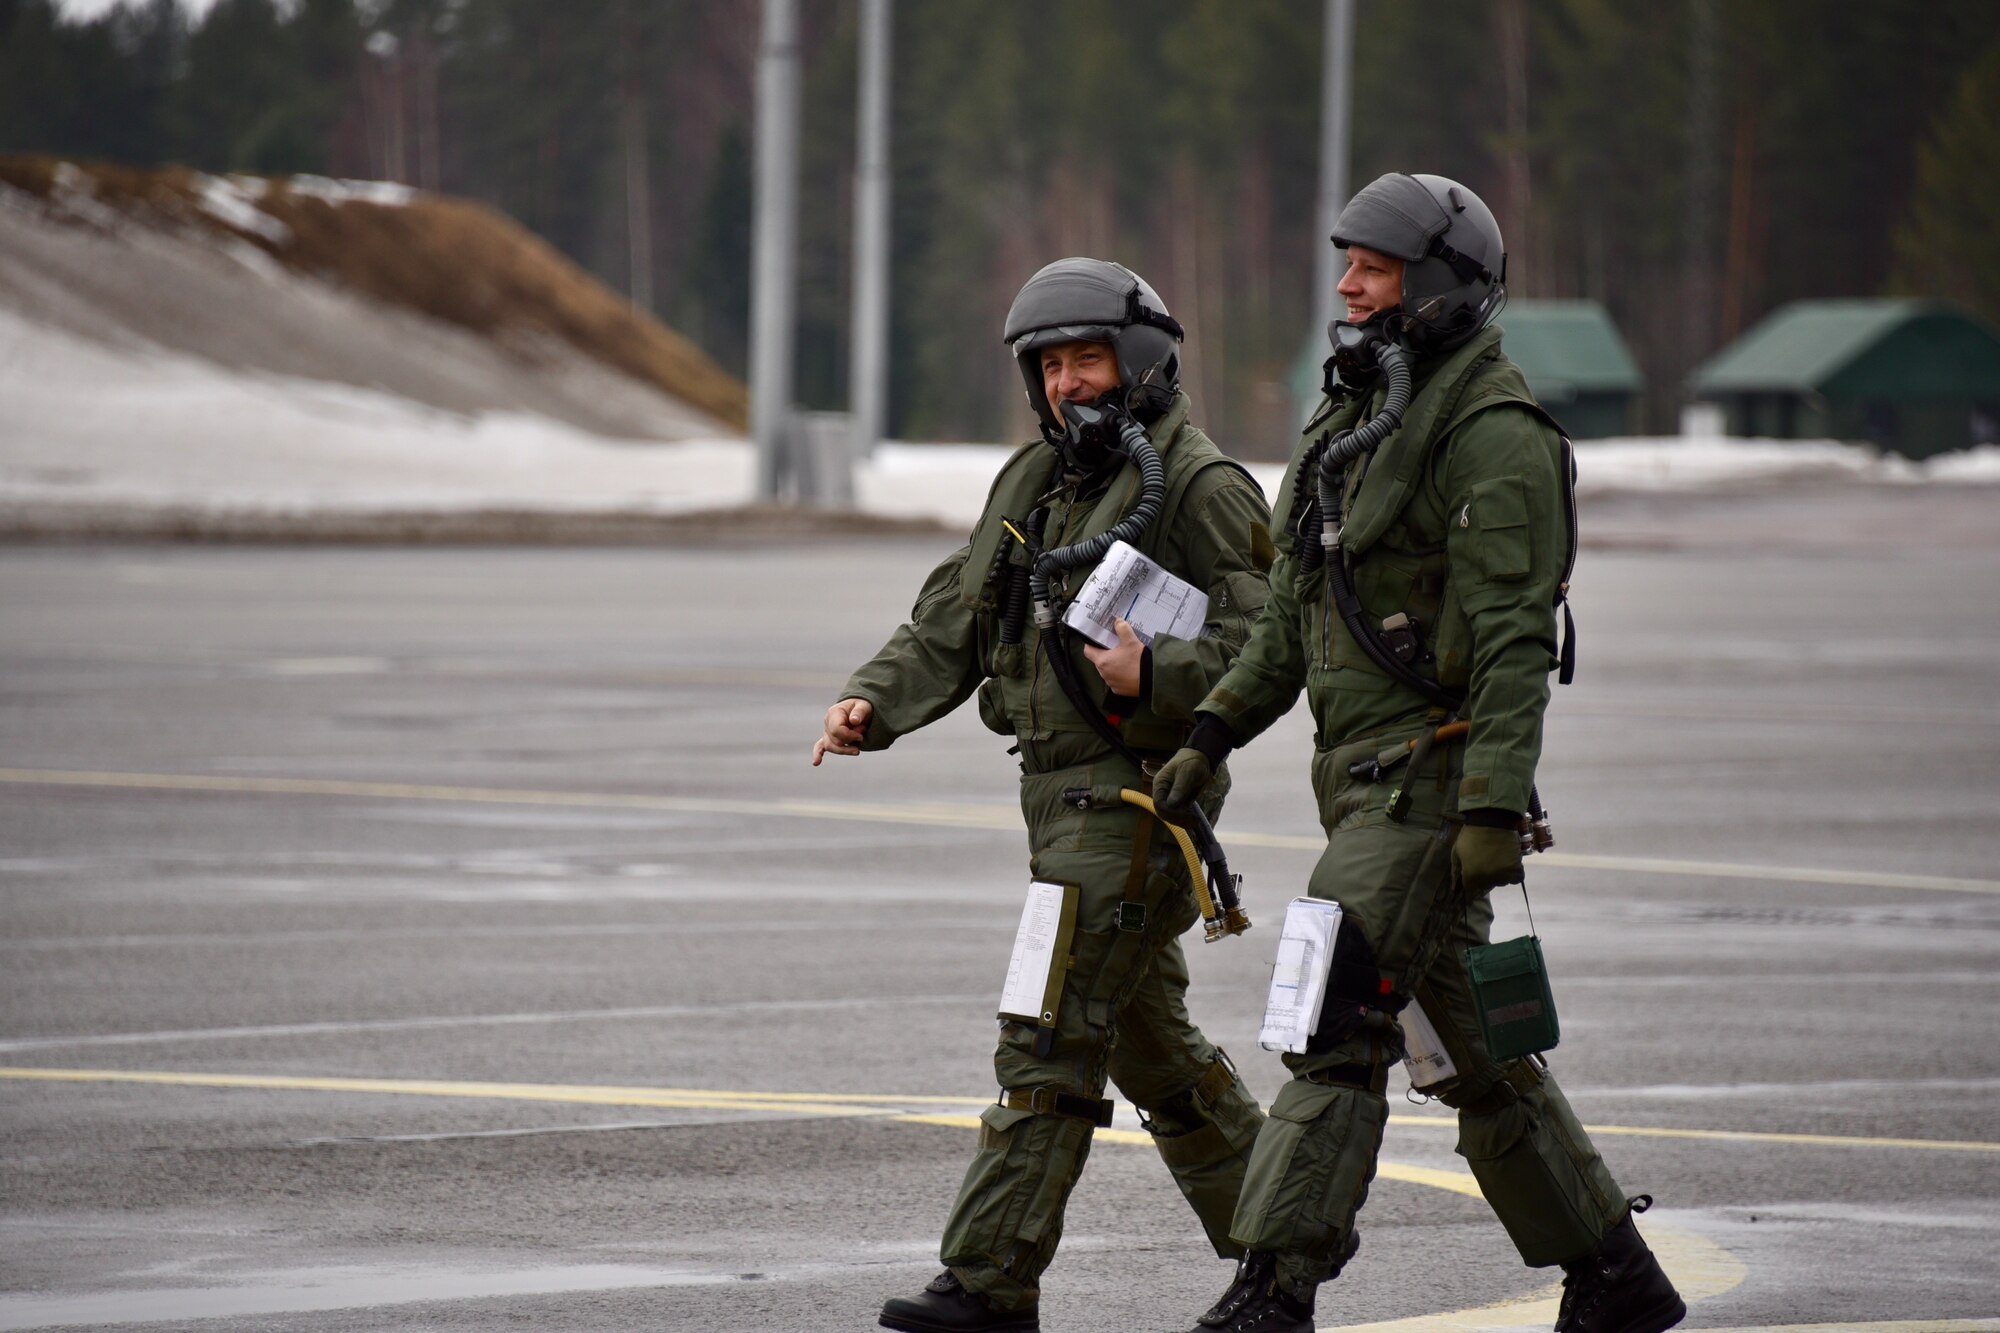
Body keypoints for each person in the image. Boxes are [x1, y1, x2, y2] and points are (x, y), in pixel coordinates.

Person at [1151, 174, 1687, 1333]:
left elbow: (1510, 639)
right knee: (1475, 1059)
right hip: (1357, 785)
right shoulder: (1348, 421)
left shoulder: (1492, 434)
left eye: (1371, 267)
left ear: (1434, 284)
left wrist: (1490, 802)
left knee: (1332, 1018)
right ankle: (1614, 1277)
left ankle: (1272, 1288)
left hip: (1430, 783)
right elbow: (1297, 611)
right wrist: (1210, 729)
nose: (1343, 286)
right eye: (1344, 261)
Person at [812, 257, 1274, 1333]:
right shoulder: (1035, 484)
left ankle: (987, 1284)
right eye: (1051, 364)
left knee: (1046, 1034)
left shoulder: (1200, 487)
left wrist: (1153, 676)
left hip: (1132, 808)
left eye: (1088, 358)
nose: (1068, 382)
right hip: (1056, 803)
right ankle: (1280, 1243)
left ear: (1142, 362)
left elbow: (1264, 644)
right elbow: (955, 614)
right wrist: (869, 704)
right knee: (1148, 1042)